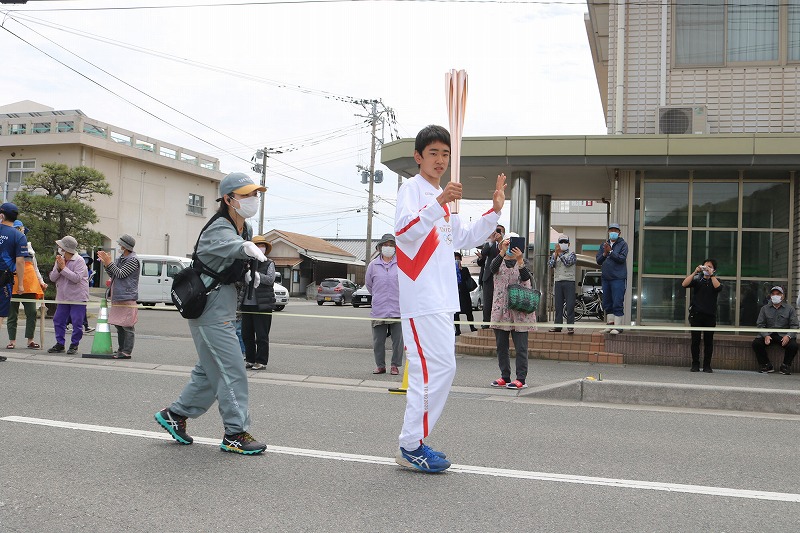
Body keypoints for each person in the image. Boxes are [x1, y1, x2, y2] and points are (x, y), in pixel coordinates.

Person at [393, 125, 505, 473]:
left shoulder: (443, 197)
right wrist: (438, 204)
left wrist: (495, 210)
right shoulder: (411, 190)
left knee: (443, 368)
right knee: (430, 370)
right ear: (418, 157)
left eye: (445, 154)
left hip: (442, 299)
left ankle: (414, 442)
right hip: (421, 296)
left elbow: (463, 237)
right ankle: (411, 444)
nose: (440, 160)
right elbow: (404, 234)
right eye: (433, 153)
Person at [154, 172, 269, 455]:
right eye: (246, 195)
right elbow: (230, 246)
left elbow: (233, 259)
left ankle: (175, 414)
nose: (253, 199)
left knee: (209, 369)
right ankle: (235, 433)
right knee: (232, 369)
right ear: (228, 199)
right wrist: (245, 248)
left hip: (222, 305)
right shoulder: (220, 226)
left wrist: (248, 273)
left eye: (255, 194)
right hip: (209, 308)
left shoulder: (245, 228)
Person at [489, 234, 536, 389]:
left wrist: (520, 259)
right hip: (500, 310)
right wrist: (502, 251)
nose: (510, 246)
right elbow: (492, 269)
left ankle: (521, 379)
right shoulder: (498, 261)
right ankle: (505, 376)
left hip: (519, 311)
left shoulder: (523, 262)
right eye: (508, 243)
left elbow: (525, 277)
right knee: (501, 345)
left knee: (521, 347)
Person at [365, 233, 404, 375]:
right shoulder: (373, 265)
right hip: (379, 308)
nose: (388, 248)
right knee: (378, 341)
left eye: (391, 245)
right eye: (385, 245)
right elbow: (369, 285)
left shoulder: (401, 263)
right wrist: (378, 296)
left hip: (397, 308)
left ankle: (395, 365)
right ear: (380, 247)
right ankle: (380, 365)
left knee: (398, 341)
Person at [97, 234, 140, 359]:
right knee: (119, 325)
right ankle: (120, 349)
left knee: (127, 325)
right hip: (118, 296)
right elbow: (113, 274)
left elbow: (121, 274)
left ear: (126, 246)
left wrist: (110, 263)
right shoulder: (121, 258)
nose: (119, 246)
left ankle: (126, 351)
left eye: (120, 244)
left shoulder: (133, 260)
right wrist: (107, 264)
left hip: (127, 296)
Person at [7, 220, 46, 350]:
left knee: (32, 312)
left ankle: (30, 340)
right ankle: (12, 341)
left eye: (21, 230)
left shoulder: (29, 248)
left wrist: (41, 281)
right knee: (12, 314)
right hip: (12, 282)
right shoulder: (7, 247)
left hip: (29, 283)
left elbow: (35, 267)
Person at [238, 234, 275, 371]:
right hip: (247, 303)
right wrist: (246, 274)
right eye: (258, 245)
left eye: (263, 245)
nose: (261, 248)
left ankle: (261, 361)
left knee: (261, 335)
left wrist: (257, 276)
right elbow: (241, 280)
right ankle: (250, 359)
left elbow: (270, 280)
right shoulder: (246, 262)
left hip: (263, 304)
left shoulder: (269, 263)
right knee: (246, 334)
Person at [48, 235, 89, 355]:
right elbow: (52, 277)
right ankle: (60, 343)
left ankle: (74, 344)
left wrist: (63, 268)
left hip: (78, 297)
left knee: (77, 322)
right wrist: (59, 268)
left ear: (67, 249)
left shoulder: (79, 261)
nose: (59, 249)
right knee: (58, 320)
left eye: (61, 247)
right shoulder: (60, 260)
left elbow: (76, 278)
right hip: (63, 296)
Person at [681, 259, 722, 373]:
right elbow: (684, 284)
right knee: (695, 341)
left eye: (709, 266)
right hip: (696, 315)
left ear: (714, 269)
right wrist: (695, 272)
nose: (707, 268)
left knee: (709, 342)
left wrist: (711, 275)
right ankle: (695, 364)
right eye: (705, 266)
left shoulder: (715, 280)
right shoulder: (698, 280)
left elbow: (718, 288)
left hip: (710, 316)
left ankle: (707, 365)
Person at [751, 286, 798, 375]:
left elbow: (795, 325)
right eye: (773, 294)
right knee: (756, 344)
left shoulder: (790, 309)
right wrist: (765, 335)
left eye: (778, 294)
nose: (775, 296)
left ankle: (785, 366)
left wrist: (788, 336)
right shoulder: (764, 309)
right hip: (769, 334)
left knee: (793, 346)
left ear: (782, 296)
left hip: (783, 335)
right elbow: (760, 324)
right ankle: (766, 365)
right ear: (770, 296)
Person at [596, 222, 628, 334]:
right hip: (606, 278)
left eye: (615, 230)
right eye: (611, 230)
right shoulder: (603, 245)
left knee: (617, 301)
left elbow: (622, 259)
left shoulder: (623, 244)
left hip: (618, 278)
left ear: (619, 232)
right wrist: (605, 253)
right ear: (608, 232)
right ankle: (610, 325)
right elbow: (598, 260)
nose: (613, 232)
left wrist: (610, 252)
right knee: (607, 302)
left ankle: (618, 326)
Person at [476, 225, 504, 328]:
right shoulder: (489, 244)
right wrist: (491, 241)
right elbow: (484, 254)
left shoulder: (505, 243)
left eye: (499, 231)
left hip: (502, 275)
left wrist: (501, 241)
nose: (497, 233)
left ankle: (499, 321)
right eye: (495, 231)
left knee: (500, 300)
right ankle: (486, 322)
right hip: (488, 276)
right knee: (487, 300)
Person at [548, 233, 576, 334]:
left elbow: (568, 263)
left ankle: (570, 326)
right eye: (561, 242)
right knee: (558, 305)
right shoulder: (554, 254)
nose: (563, 244)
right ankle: (558, 326)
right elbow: (551, 265)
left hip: (569, 281)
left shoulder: (572, 254)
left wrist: (560, 254)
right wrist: (555, 255)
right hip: (558, 281)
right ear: (558, 244)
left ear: (569, 244)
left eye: (565, 242)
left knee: (570, 304)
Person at [453, 251, 478, 335]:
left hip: (464, 293)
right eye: (455, 259)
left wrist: (460, 270)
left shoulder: (465, 269)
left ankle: (472, 326)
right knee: (456, 313)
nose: (457, 261)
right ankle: (457, 329)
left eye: (458, 259)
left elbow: (467, 279)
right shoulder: (450, 271)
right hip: (455, 294)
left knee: (468, 311)